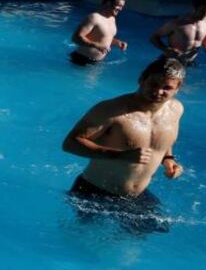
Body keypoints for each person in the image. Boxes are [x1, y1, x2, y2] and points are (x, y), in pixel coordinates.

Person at [61, 58, 186, 233]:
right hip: (94, 192)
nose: (158, 91)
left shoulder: (175, 110)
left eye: (167, 88)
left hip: (135, 196)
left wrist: (168, 159)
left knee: (155, 232)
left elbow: (163, 141)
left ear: (177, 89)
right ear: (141, 79)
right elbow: (70, 144)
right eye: (153, 84)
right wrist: (120, 155)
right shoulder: (111, 110)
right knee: (82, 242)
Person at [149, 0, 206, 65]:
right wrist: (166, 49)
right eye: (202, 11)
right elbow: (153, 37)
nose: (205, 14)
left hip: (189, 62)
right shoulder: (176, 24)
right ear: (194, 8)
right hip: (170, 62)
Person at [70, 0, 128, 66]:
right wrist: (96, 45)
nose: (121, 9)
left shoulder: (112, 19)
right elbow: (76, 38)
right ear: (108, 3)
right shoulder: (94, 17)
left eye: (122, 7)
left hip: (97, 62)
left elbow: (103, 37)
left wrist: (117, 42)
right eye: (119, 6)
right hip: (81, 60)